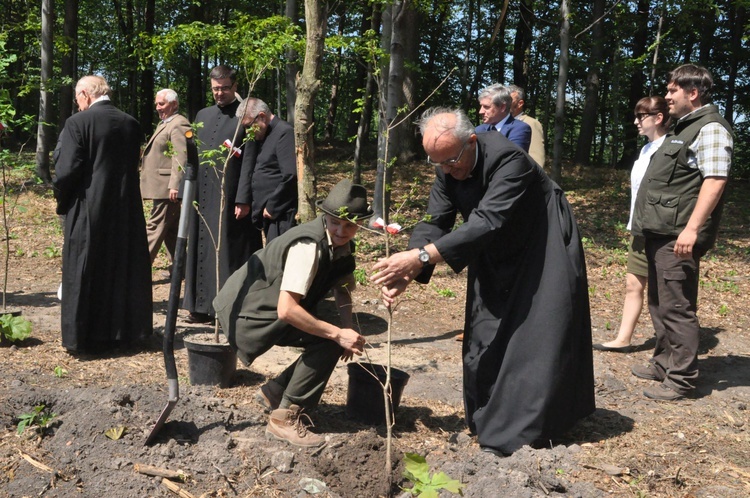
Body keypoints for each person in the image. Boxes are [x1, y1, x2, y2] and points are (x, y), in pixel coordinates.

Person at [371, 108, 595, 455]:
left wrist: (421, 257)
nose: (447, 170)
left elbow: (488, 220)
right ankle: (487, 416)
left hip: (541, 244)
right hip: (493, 248)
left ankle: (526, 430)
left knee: (535, 335)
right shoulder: (447, 161)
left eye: (451, 161)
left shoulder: (509, 160)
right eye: (438, 163)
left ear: (471, 141)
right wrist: (409, 270)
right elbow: (436, 220)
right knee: (485, 330)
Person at [213, 179, 370, 447]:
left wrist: (347, 328)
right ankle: (284, 420)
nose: (341, 231)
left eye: (350, 225)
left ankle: (274, 392)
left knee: (332, 337)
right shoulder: (308, 246)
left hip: (270, 309)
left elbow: (342, 289)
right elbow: (286, 310)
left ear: (360, 224)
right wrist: (337, 334)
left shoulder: (342, 246)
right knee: (330, 339)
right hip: (250, 313)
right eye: (335, 222)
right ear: (325, 216)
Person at [631, 64, 733, 401]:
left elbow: (715, 180)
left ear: (693, 93)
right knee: (659, 302)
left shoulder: (711, 128)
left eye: (673, 90)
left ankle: (683, 379)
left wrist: (691, 229)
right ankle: (664, 363)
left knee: (677, 306)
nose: (667, 96)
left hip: (678, 234)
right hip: (661, 231)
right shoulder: (683, 128)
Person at [53, 75, 152, 353]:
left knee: (86, 267)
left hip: (89, 209)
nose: (77, 104)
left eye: (76, 98)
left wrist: (63, 200)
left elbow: (67, 171)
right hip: (126, 210)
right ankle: (124, 333)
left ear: (85, 94)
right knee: (121, 267)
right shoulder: (131, 123)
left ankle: (84, 337)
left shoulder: (78, 123)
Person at [182, 65, 262, 324]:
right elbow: (191, 154)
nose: (220, 93)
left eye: (225, 88)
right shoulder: (203, 114)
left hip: (231, 195)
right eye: (216, 88)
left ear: (235, 86)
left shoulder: (244, 117)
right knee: (200, 246)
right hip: (202, 195)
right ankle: (199, 305)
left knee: (229, 249)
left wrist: (243, 198)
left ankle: (226, 308)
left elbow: (250, 159)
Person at [593, 96, 669, 352]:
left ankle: (669, 345)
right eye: (636, 116)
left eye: (641, 116)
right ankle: (623, 339)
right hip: (639, 227)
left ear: (658, 118)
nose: (636, 122)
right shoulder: (646, 149)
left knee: (663, 292)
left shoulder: (670, 149)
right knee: (633, 284)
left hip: (661, 230)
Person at [140, 89, 191, 266]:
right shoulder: (166, 123)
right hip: (162, 187)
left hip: (167, 189)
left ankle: (139, 269)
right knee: (170, 231)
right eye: (156, 104)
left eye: (161, 104)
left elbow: (181, 155)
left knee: (155, 228)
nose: (157, 107)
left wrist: (175, 185)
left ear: (174, 104)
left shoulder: (179, 123)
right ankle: (180, 269)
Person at [236, 97, 297, 243]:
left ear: (262, 116)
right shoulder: (264, 135)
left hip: (282, 215)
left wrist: (272, 206)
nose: (247, 131)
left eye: (249, 125)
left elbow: (290, 175)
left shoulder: (284, 132)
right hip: (269, 215)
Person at [474, 83, 531, 153]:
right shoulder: (479, 130)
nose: (480, 111)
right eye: (481, 106)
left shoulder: (519, 129)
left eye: (486, 107)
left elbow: (513, 159)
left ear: (502, 107)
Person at [508, 85, 546, 166]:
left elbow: (537, 159)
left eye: (509, 100)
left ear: (520, 103)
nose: (504, 104)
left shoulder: (531, 123)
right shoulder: (498, 123)